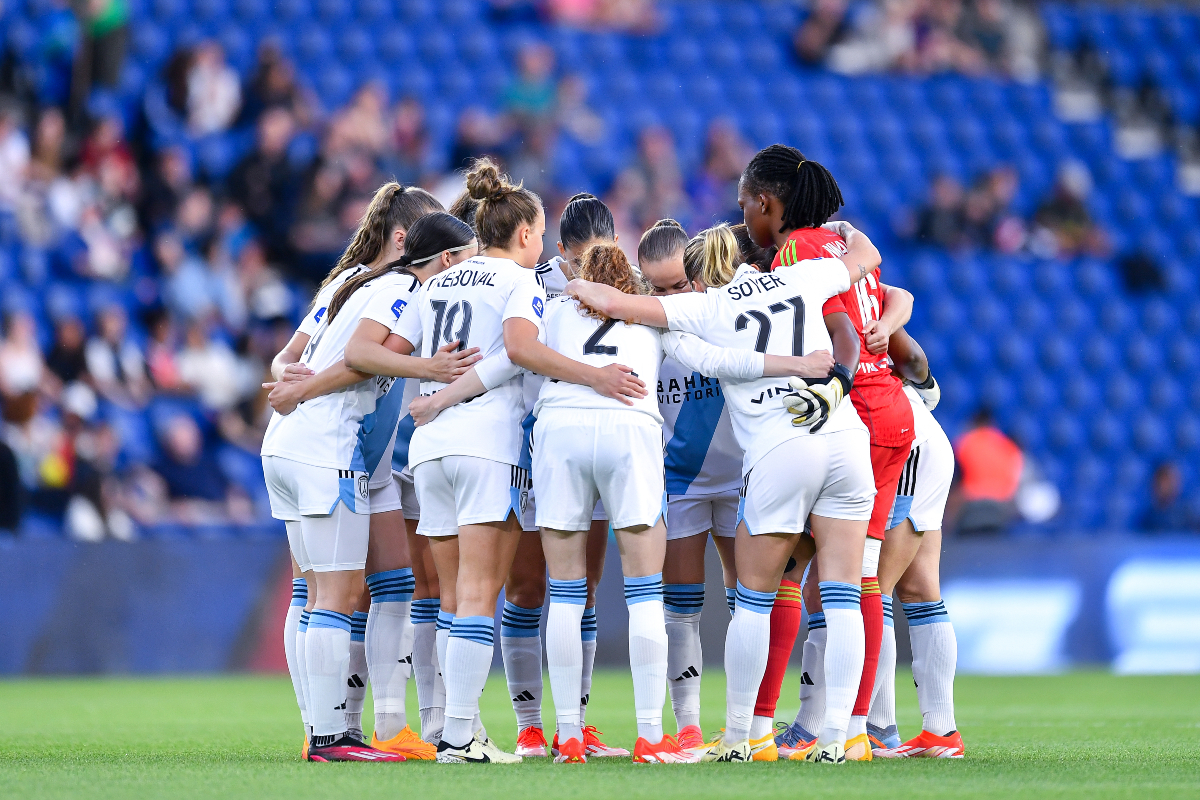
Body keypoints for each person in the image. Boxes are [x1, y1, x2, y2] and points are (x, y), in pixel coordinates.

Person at [347, 159, 645, 764]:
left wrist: (429, 393)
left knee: (456, 597)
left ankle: (457, 729)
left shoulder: (434, 281)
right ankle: (460, 733)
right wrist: (595, 375)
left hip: (429, 452)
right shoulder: (520, 284)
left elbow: (382, 350)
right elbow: (518, 351)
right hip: (486, 445)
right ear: (530, 235)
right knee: (481, 594)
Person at [564, 209, 882, 764]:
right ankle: (841, 737)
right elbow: (867, 259)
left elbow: (615, 304)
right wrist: (844, 230)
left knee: (753, 603)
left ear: (701, 273)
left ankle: (740, 736)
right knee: (843, 596)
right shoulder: (801, 275)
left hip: (781, 447)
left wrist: (565, 275)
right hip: (845, 439)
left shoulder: (703, 307)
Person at [261, 183, 472, 762]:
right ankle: (332, 737)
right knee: (335, 594)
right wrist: (429, 366)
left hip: (294, 444)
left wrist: (293, 386)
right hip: (326, 446)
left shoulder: (347, 280)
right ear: (410, 240)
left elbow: (302, 357)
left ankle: (322, 728)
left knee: (315, 592)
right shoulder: (399, 285)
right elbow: (359, 355)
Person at [734, 144, 913, 763]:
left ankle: (779, 727)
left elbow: (840, 330)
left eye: (745, 206)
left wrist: (837, 378)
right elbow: (894, 301)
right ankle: (845, 726)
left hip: (855, 408)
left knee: (795, 573)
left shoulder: (800, 250)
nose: (744, 220)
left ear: (765, 202)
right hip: (888, 409)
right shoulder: (835, 245)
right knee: (848, 576)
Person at [496, 194, 627, 760]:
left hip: (597, 447)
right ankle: (528, 725)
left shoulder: (628, 286)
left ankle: (576, 721)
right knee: (526, 586)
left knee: (583, 589)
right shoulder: (534, 283)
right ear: (561, 249)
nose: (587, 264)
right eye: (579, 254)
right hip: (534, 446)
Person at [636, 220, 757, 751]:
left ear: (697, 277)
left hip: (739, 479)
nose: (665, 299)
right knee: (681, 606)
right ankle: (686, 724)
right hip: (680, 482)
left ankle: (746, 722)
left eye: (676, 287)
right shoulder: (639, 333)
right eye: (654, 289)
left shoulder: (729, 315)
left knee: (748, 602)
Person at [864, 326, 963, 759]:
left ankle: (878, 726)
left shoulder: (820, 300)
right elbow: (917, 362)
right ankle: (941, 731)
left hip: (905, 445)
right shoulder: (871, 300)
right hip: (925, 436)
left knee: (872, 584)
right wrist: (925, 388)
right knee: (920, 589)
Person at [953, 406, 1022, 534]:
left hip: (970, 508)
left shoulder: (964, 443)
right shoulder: (1008, 445)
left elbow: (955, 482)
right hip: (1002, 509)